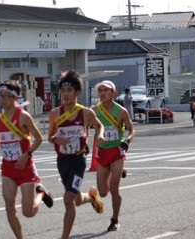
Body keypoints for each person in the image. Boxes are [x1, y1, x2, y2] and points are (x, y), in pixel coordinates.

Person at [0, 80, 53, 239]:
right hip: (8, 168)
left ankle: (41, 194)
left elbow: (38, 138)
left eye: (6, 96)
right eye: (0, 96)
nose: (1, 99)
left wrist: (27, 155)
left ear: (14, 98)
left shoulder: (23, 117)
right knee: (9, 207)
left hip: (25, 167)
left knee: (28, 212)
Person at [48, 71, 105, 239]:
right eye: (63, 90)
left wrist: (100, 135)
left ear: (77, 93)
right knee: (76, 199)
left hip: (78, 161)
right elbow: (49, 137)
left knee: (68, 199)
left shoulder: (86, 113)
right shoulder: (55, 114)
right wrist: (55, 139)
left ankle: (64, 237)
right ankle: (91, 198)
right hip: (62, 161)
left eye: (69, 90)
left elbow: (99, 126)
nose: (65, 94)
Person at [92, 80, 135, 232]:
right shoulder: (94, 111)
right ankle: (97, 192)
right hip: (102, 152)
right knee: (103, 192)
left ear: (113, 93)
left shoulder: (121, 111)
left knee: (114, 189)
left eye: (106, 90)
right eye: (100, 90)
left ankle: (115, 219)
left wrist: (127, 141)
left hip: (117, 152)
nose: (102, 93)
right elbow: (83, 128)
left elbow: (131, 130)